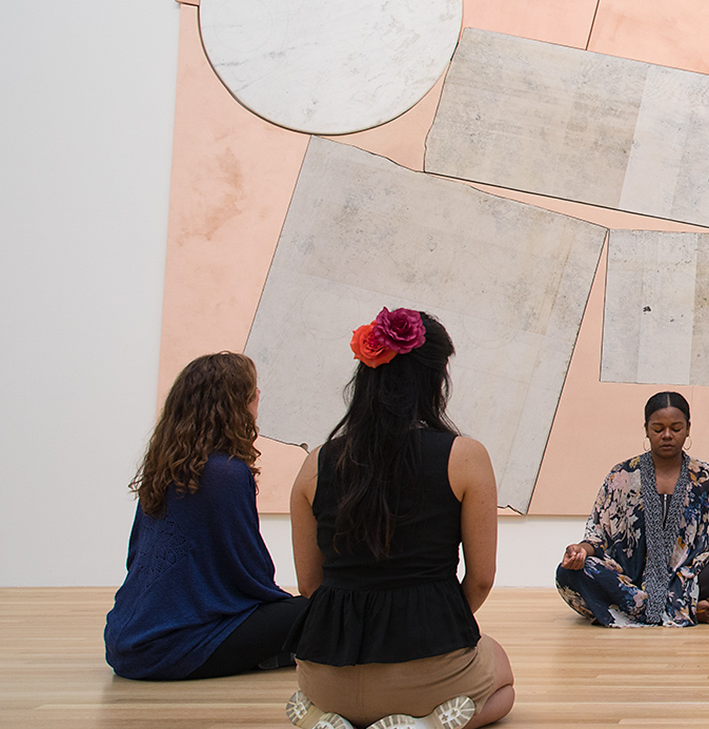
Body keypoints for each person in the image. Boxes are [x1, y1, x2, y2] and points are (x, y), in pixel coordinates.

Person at [285, 308, 514, 729]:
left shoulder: (316, 462)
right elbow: (481, 579)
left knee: (327, 692)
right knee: (503, 679)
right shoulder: (465, 456)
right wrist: (435, 624)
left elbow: (309, 585)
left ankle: (315, 713)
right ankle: (427, 724)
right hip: (428, 675)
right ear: (436, 379)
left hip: (325, 675)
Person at [104, 351, 308, 680]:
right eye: (253, 392)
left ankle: (273, 650)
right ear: (237, 404)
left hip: (124, 642)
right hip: (171, 648)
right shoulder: (227, 472)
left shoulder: (166, 466)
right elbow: (248, 569)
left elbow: (136, 555)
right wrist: (286, 610)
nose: (258, 399)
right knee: (316, 611)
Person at [556, 391, 709, 627]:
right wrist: (580, 551)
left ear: (688, 428)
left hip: (684, 577)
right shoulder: (622, 475)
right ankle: (684, 609)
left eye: (675, 428)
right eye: (658, 429)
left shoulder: (707, 477)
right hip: (627, 579)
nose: (667, 435)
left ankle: (648, 607)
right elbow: (597, 535)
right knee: (568, 573)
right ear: (646, 429)